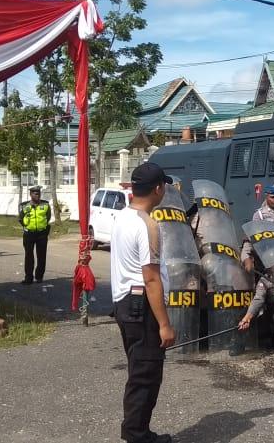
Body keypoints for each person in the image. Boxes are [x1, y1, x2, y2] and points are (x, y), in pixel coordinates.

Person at [110, 163, 176, 443]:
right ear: (158, 188)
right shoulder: (147, 224)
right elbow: (151, 279)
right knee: (146, 375)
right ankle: (137, 436)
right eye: (165, 186)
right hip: (141, 306)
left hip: (125, 303)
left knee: (139, 371)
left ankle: (138, 432)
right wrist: (164, 324)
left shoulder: (122, 217)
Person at [240, 165, 274, 270]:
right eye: (272, 197)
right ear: (267, 197)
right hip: (268, 257)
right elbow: (252, 237)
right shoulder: (260, 214)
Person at [19, 185, 52, 285]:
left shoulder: (45, 205)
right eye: (35, 193)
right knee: (29, 256)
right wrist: (28, 226)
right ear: (30, 194)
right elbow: (20, 219)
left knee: (41, 256)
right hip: (29, 234)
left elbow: (48, 217)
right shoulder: (25, 206)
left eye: (38, 193)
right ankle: (28, 278)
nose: (37, 195)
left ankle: (39, 277)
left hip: (42, 234)